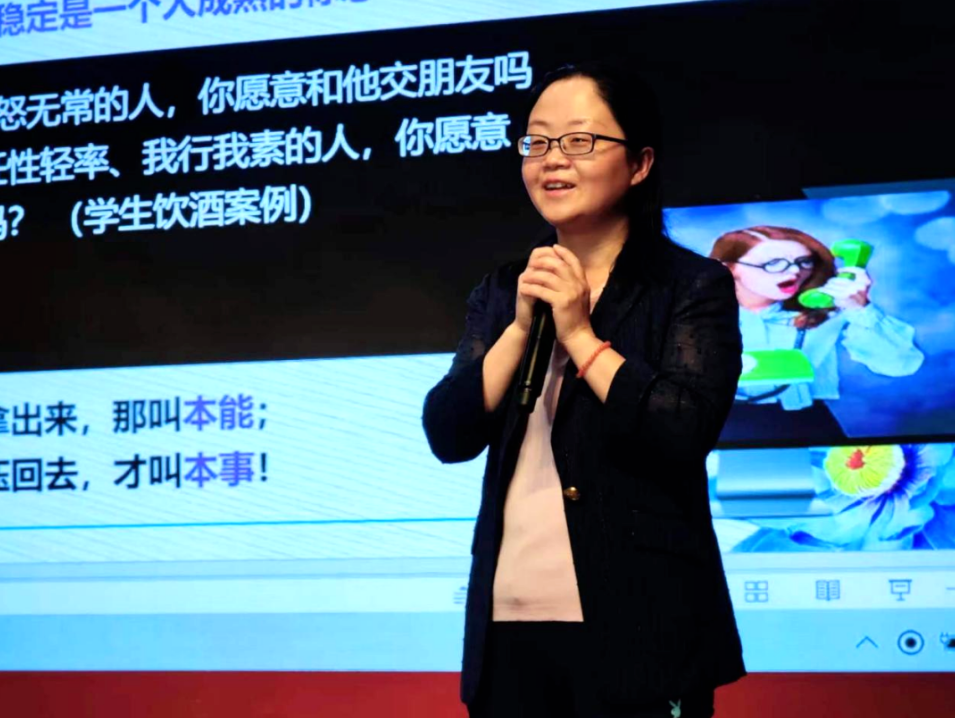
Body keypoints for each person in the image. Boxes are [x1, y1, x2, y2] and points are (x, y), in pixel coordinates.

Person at [423, 61, 746, 718]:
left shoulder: (690, 286)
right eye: (537, 141)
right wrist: (521, 328)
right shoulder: (505, 288)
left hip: (640, 628)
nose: (552, 159)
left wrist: (578, 332)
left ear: (639, 164)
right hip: (509, 624)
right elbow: (448, 434)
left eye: (578, 140)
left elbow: (681, 428)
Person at [710, 226, 924, 445]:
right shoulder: (698, 317)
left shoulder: (827, 312)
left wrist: (860, 309)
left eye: (803, 262)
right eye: (773, 263)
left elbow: (901, 365)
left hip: (804, 424)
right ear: (729, 268)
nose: (795, 272)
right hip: (714, 424)